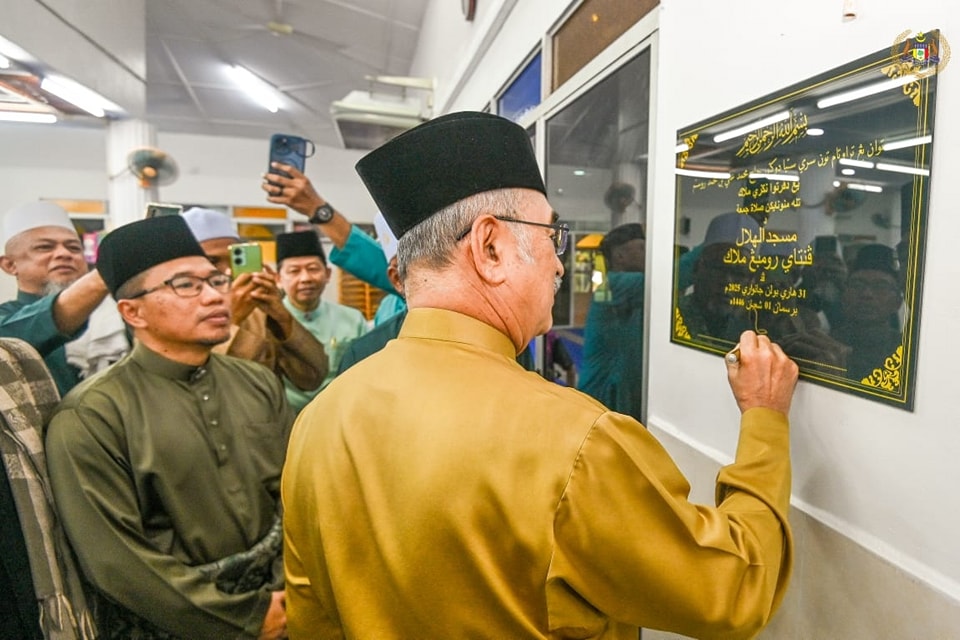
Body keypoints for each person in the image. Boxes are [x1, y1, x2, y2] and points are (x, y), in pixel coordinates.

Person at [281, 111, 799, 639]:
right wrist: (764, 420)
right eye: (553, 235)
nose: (559, 263)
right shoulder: (574, 441)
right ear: (490, 248)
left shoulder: (320, 420)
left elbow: (311, 621)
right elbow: (733, 589)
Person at [45, 215, 292, 640]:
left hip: (284, 606)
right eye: (185, 285)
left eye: (215, 280)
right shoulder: (92, 415)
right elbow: (117, 562)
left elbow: (296, 492)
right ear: (132, 312)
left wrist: (288, 590)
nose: (215, 296)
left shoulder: (257, 382)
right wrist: (245, 618)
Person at [182, 207, 328, 391]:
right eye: (213, 261)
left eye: (234, 260)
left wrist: (282, 318)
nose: (227, 271)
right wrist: (232, 319)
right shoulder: (176, 314)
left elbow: (313, 376)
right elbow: (194, 385)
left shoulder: (257, 307)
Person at [0, 202, 129, 396]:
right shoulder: (7, 319)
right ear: (10, 265)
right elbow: (13, 344)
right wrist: (103, 277)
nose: (64, 254)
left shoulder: (120, 311)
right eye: (44, 248)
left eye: (73, 248)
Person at [274, 230, 367, 412]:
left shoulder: (352, 319)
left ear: (327, 274)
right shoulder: (267, 323)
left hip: (339, 415)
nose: (305, 278)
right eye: (294, 271)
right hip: (287, 420)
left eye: (313, 269)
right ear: (278, 279)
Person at [577, 223, 646, 421]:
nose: (647, 253)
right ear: (620, 257)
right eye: (641, 248)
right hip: (600, 397)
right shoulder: (615, 283)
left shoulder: (625, 289)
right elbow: (670, 280)